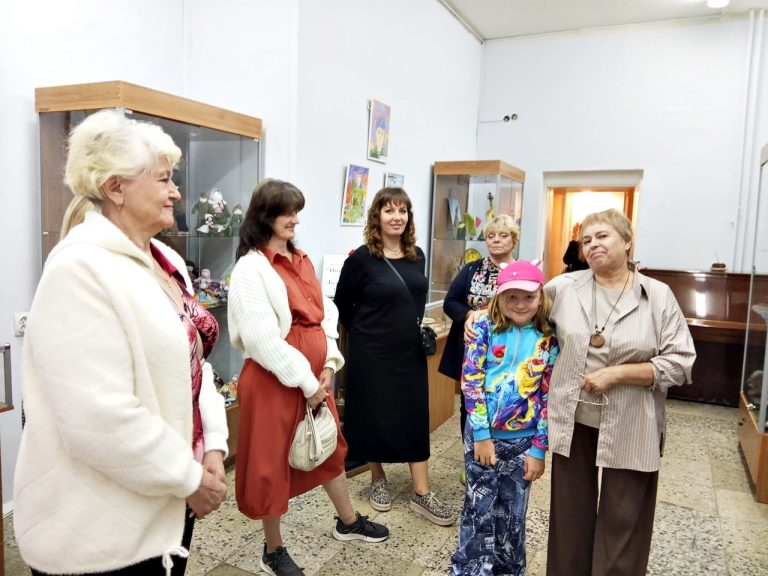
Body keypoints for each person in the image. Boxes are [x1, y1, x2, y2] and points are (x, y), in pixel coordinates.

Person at [14, 109, 229, 576]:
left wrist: (213, 444)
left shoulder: (165, 258)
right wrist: (190, 477)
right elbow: (99, 418)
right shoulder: (78, 270)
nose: (176, 192)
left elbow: (195, 361)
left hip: (167, 505)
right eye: (164, 179)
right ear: (116, 188)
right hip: (101, 533)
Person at [228, 179, 389, 576]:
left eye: (297, 211)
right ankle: (273, 550)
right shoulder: (251, 268)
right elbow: (261, 340)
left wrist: (329, 365)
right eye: (287, 212)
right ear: (264, 216)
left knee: (331, 449)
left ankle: (347, 521)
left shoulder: (300, 259)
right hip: (275, 381)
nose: (295, 220)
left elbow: (325, 315)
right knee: (271, 465)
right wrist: (307, 382)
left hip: (315, 380)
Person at [544, 208, 696, 576]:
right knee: (570, 516)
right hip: (573, 418)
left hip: (632, 419)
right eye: (586, 240)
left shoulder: (657, 296)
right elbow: (519, 310)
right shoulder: (563, 287)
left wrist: (619, 374)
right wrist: (477, 316)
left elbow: (681, 362)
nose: (592, 244)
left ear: (627, 242)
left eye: (602, 236)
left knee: (624, 518)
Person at [334, 187, 454, 526]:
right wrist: (368, 333)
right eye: (389, 210)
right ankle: (378, 477)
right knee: (372, 414)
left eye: (402, 210)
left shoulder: (417, 255)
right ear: (377, 216)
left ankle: (422, 492)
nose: (397, 217)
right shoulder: (361, 259)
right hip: (371, 352)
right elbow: (342, 306)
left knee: (414, 416)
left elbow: (415, 300)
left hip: (408, 351)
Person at [450, 259, 559, 576]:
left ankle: (508, 569)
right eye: (512, 297)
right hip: (482, 438)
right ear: (499, 297)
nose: (520, 304)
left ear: (540, 297)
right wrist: (482, 435)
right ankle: (470, 568)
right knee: (478, 508)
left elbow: (548, 396)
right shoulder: (483, 328)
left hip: (524, 442)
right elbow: (471, 383)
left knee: (513, 513)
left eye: (529, 297)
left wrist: (539, 449)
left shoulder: (548, 338)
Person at [439, 214, 520, 439]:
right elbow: (450, 302)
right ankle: (470, 453)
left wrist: (490, 314)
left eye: (503, 235)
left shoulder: (521, 272)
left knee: (506, 401)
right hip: (472, 350)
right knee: (470, 403)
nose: (496, 240)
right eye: (491, 236)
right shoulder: (471, 269)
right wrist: (470, 314)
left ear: (514, 240)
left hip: (509, 349)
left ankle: (502, 451)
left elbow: (529, 307)